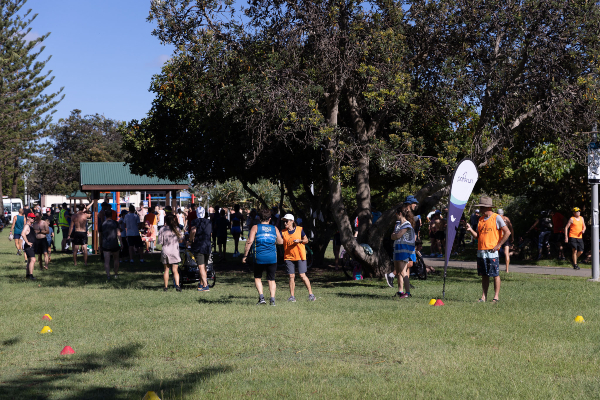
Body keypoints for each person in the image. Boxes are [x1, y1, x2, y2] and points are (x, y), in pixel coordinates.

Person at [466, 196, 510, 303]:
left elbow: (507, 232)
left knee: (495, 274)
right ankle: (483, 297)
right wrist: (470, 230)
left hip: (492, 252)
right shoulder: (480, 219)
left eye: (482, 207)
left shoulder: (497, 218)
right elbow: (478, 236)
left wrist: (498, 245)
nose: (480, 209)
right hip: (481, 251)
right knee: (484, 274)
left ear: (488, 207)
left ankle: (496, 297)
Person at [242, 208, 284, 306]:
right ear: (270, 219)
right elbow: (281, 242)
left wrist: (245, 256)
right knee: (271, 279)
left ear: (259, 218)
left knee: (257, 277)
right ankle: (272, 300)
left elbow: (249, 242)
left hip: (259, 257)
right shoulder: (275, 228)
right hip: (272, 257)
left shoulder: (255, 227)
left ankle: (262, 298)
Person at [281, 214, 315, 302]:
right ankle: (292, 297)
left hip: (300, 255)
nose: (285, 223)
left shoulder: (300, 229)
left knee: (302, 275)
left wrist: (300, 241)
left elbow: (306, 240)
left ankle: (311, 294)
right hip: (288, 257)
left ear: (292, 221)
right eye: (284, 221)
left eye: (287, 221)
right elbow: (279, 241)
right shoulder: (283, 232)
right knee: (291, 276)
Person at [391, 204, 416, 298]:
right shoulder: (398, 224)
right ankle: (400, 291)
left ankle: (408, 293)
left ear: (400, 213)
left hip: (404, 251)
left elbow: (396, 235)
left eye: (396, 214)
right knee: (398, 272)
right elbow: (392, 235)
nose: (396, 215)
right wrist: (395, 235)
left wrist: (395, 235)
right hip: (397, 249)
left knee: (403, 271)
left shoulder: (407, 224)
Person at [188, 206, 212, 291]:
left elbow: (193, 231)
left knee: (201, 266)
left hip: (199, 245)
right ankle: (201, 284)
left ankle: (206, 285)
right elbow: (211, 233)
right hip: (207, 245)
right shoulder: (209, 222)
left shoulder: (195, 221)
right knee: (204, 266)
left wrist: (190, 240)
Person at [158, 214, 183, 291]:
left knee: (166, 269)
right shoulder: (177, 229)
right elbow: (181, 240)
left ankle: (165, 287)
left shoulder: (162, 229)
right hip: (174, 251)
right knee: (175, 270)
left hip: (166, 250)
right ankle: (177, 285)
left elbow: (160, 242)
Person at [100, 212, 121, 280]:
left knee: (107, 261)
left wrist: (100, 245)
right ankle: (115, 273)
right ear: (112, 215)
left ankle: (108, 275)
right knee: (116, 259)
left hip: (106, 244)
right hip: (114, 243)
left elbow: (100, 236)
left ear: (105, 216)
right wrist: (121, 242)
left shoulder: (102, 224)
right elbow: (118, 233)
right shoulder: (115, 223)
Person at [21, 213, 37, 280]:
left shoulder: (31, 225)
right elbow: (23, 233)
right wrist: (27, 242)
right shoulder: (27, 226)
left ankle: (28, 275)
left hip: (32, 246)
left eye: (33, 218)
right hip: (29, 246)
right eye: (31, 217)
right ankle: (30, 275)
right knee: (33, 260)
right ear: (28, 217)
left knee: (30, 260)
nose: (33, 219)